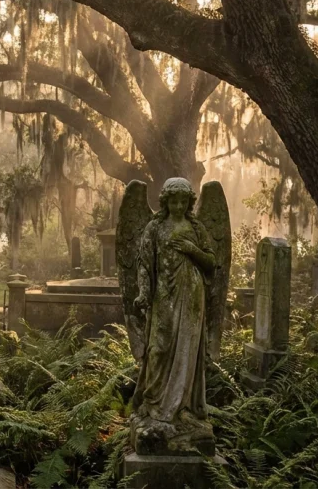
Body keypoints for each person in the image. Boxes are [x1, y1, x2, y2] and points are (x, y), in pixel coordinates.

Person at [130, 177, 216, 454]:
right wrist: (143, 293)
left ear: (189, 202)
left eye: (183, 201)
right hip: (163, 296)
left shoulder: (196, 228)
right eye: (173, 201)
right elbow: (144, 264)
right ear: (165, 201)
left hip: (192, 295)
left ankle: (184, 408)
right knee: (160, 348)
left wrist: (192, 250)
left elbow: (212, 264)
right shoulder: (154, 227)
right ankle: (154, 403)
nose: (178, 206)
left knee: (188, 351)